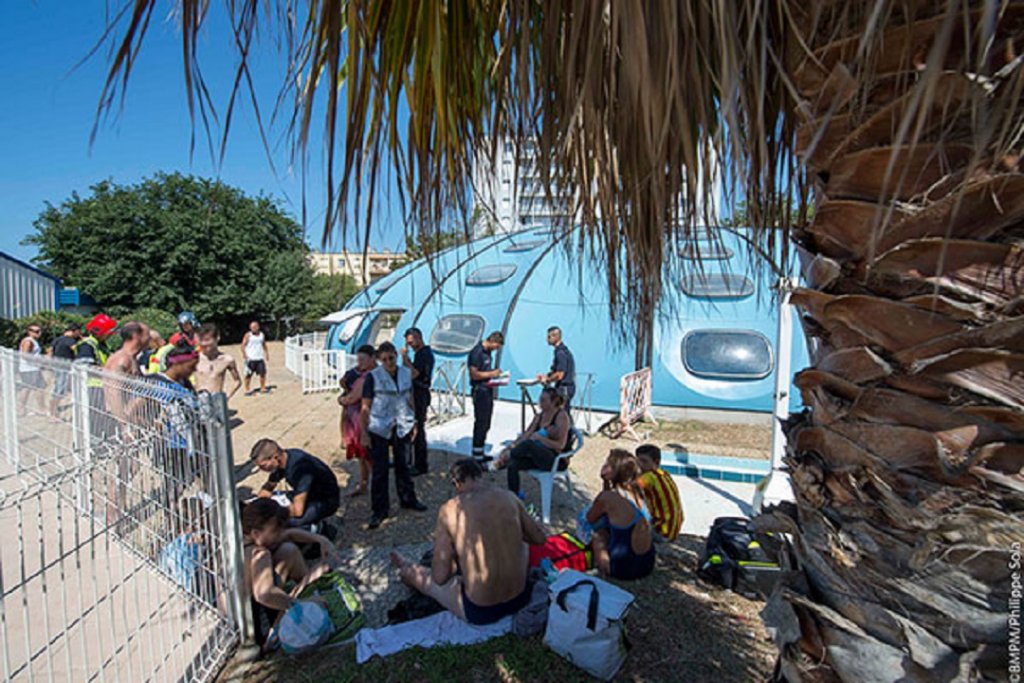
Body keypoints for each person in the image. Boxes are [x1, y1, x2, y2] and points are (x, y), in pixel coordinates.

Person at [389, 459, 546, 625]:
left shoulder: (450, 510)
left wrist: (455, 562)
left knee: (428, 580)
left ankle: (406, 570)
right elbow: (539, 538)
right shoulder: (509, 497)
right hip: (520, 599)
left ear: (456, 483)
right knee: (520, 540)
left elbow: (440, 577)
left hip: (482, 610)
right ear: (480, 475)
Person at [360, 342, 427, 530]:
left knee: (404, 466)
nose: (389, 362)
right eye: (385, 359)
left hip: (402, 424)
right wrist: (364, 433)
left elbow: (409, 397)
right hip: (380, 426)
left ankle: (408, 499)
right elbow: (365, 407)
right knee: (380, 470)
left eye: (392, 358)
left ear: (396, 356)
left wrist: (414, 421)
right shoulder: (372, 377)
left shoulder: (405, 373)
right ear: (379, 360)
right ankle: (379, 510)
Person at [243, 498, 339, 613]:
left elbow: (288, 534)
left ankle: (309, 589)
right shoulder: (260, 554)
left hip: (243, 607)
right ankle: (309, 594)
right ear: (256, 534)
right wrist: (298, 604)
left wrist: (319, 539)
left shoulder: (242, 542)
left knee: (288, 550)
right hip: (252, 614)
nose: (279, 534)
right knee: (291, 552)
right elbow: (264, 595)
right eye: (275, 531)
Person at [583, 449, 655, 580]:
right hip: (647, 563)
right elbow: (611, 506)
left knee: (597, 533)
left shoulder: (608, 497)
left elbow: (590, 517)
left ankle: (604, 570)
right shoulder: (638, 493)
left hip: (624, 569)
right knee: (608, 521)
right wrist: (605, 483)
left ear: (616, 471)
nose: (604, 465)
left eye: (608, 464)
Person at [490, 387, 571, 497]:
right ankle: (514, 497)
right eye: (540, 399)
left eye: (543, 400)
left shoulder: (561, 417)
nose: (540, 402)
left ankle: (503, 460)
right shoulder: (540, 415)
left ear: (553, 402)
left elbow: (560, 446)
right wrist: (511, 446)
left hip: (556, 459)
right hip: (538, 456)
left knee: (529, 445)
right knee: (513, 463)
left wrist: (540, 439)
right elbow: (527, 434)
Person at [251, 439, 341, 529]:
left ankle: (320, 530)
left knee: (280, 523)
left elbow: (298, 511)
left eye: (263, 466)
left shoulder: (300, 468)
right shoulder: (283, 458)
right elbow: (266, 490)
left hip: (324, 501)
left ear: (275, 457)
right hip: (307, 494)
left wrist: (270, 512)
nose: (261, 469)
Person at [339, 345, 376, 496]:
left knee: (368, 457)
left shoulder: (368, 376)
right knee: (362, 457)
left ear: (372, 358)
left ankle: (375, 488)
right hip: (355, 420)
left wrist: (341, 399)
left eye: (363, 359)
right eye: (358, 359)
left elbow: (352, 398)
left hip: (364, 420)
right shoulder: (359, 373)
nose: (359, 363)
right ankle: (364, 484)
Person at [401, 327, 435, 475]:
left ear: (418, 338)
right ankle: (410, 460)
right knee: (411, 427)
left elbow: (414, 374)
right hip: (415, 392)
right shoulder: (419, 354)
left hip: (420, 394)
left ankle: (420, 465)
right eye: (408, 343)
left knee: (418, 429)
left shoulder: (424, 354)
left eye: (411, 342)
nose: (410, 345)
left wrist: (405, 359)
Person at [467, 331, 505, 461]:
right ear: (493, 342)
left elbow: (486, 372)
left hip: (487, 390)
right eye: (496, 347)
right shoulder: (477, 352)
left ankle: (481, 451)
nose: (495, 350)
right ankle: (476, 454)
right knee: (481, 422)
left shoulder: (488, 353)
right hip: (480, 391)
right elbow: (474, 374)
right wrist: (492, 374)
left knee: (486, 422)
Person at [635, 444, 684, 542]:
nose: (639, 464)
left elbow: (627, 489)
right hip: (672, 530)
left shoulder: (649, 477)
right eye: (637, 461)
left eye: (644, 461)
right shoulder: (664, 474)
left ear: (656, 462)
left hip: (660, 532)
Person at [194, 323, 242, 399]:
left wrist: (226, 397)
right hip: (199, 403)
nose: (204, 344)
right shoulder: (194, 358)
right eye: (202, 340)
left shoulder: (227, 360)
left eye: (207, 340)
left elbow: (237, 382)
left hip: (217, 403)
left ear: (217, 338)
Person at [536, 326, 576, 412]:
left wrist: (547, 380)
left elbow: (560, 375)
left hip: (564, 388)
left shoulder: (561, 353)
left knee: (562, 413)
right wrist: (547, 376)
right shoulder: (560, 351)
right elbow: (556, 370)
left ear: (556, 337)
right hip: (564, 387)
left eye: (549, 337)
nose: (547, 339)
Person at [49, 323, 81, 417]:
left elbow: (50, 350)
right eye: (78, 332)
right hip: (64, 366)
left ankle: (52, 407)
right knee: (61, 388)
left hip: (56, 364)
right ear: (74, 331)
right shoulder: (70, 341)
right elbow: (76, 350)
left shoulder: (58, 339)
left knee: (58, 386)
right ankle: (53, 410)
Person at [17, 323, 45, 416]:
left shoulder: (32, 341)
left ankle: (39, 408)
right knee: (31, 389)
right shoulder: (28, 341)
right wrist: (39, 360)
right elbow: (25, 355)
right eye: (36, 331)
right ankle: (22, 409)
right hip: (29, 369)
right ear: (29, 332)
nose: (39, 333)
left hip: (32, 368)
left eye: (40, 331)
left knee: (36, 388)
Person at [241, 321, 269, 395]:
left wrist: (266, 353)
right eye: (251, 327)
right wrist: (244, 354)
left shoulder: (261, 335)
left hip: (259, 357)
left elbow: (264, 344)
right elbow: (243, 345)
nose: (253, 328)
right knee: (248, 374)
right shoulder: (248, 335)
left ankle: (262, 387)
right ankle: (247, 389)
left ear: (258, 327)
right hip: (250, 358)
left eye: (254, 327)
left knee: (262, 373)